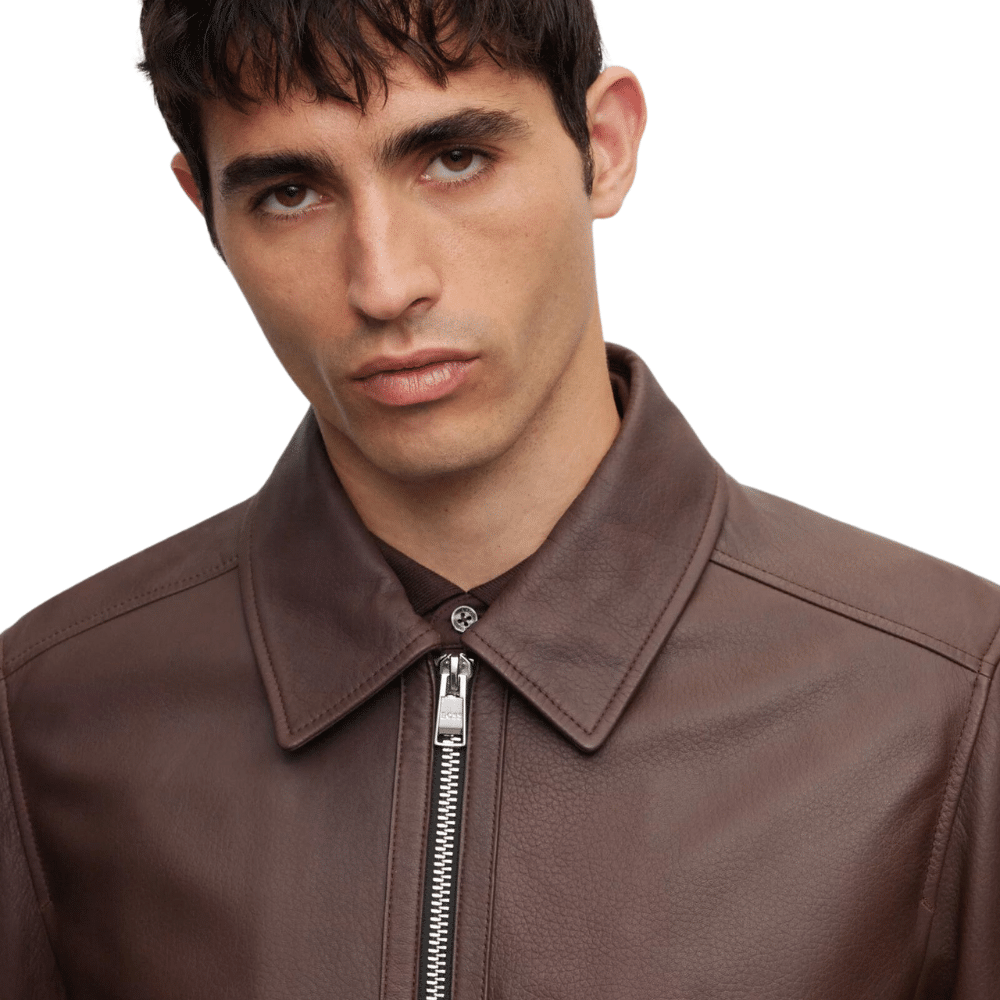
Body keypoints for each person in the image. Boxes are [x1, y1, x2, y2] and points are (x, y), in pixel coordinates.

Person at [1, 0, 997, 996]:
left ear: (604, 147)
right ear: (205, 210)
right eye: (290, 192)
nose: (385, 283)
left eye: (455, 159)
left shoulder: (950, 705)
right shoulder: (47, 718)